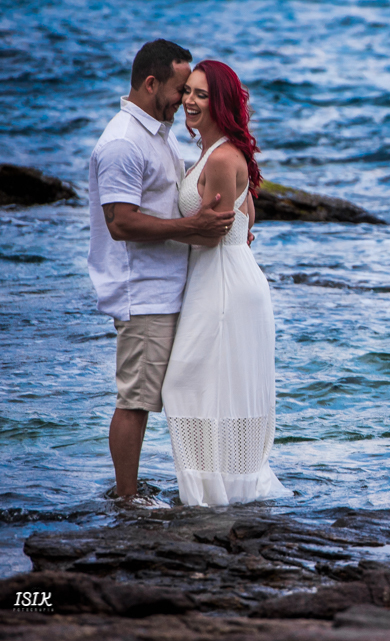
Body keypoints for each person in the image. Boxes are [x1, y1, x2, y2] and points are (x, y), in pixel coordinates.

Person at [88, 40, 236, 506]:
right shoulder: (122, 142)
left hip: (173, 287)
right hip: (143, 292)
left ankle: (184, 484)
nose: (183, 99)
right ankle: (127, 499)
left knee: (177, 394)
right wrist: (191, 227)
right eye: (178, 88)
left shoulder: (158, 133)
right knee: (136, 399)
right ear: (150, 83)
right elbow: (121, 222)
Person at [160, 60, 289, 507]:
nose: (190, 102)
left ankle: (211, 495)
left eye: (202, 95)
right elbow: (245, 219)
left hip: (222, 281)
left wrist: (142, 229)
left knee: (186, 383)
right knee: (213, 385)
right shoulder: (220, 150)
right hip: (229, 272)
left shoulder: (221, 157)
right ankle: (224, 488)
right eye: (188, 92)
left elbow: (211, 230)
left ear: (222, 103)